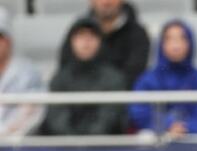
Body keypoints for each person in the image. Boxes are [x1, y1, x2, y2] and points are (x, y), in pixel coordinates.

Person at [130, 20, 197, 136]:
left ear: (190, 43)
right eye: (169, 39)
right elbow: (140, 112)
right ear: (161, 44)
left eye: (181, 39)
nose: (176, 45)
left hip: (192, 136)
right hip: (157, 136)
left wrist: (186, 127)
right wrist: (168, 124)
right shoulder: (148, 79)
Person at [43, 18, 127, 136]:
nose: (86, 41)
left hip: (105, 145)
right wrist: (74, 140)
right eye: (81, 35)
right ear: (71, 42)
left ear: (100, 41)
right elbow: (57, 119)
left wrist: (88, 140)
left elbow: (109, 118)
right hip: (65, 144)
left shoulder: (114, 79)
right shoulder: (59, 79)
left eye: (92, 36)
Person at [59, 0, 150, 88]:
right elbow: (65, 69)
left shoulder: (137, 34)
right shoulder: (77, 29)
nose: (106, 2)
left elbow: (134, 75)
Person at [0, 8, 44, 138]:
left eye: (0, 37)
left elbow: (32, 114)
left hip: (16, 143)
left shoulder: (28, 73)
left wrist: (5, 133)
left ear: (9, 40)